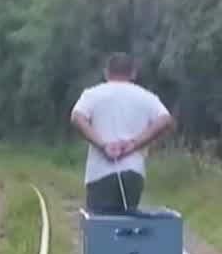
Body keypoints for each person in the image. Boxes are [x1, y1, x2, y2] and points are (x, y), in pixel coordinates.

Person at [71, 52, 176, 214]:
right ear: (133, 73)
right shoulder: (146, 97)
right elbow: (165, 120)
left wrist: (103, 145)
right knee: (127, 226)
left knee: (101, 226)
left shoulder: (92, 94)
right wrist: (134, 144)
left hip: (100, 172)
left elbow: (77, 117)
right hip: (133, 172)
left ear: (106, 73)